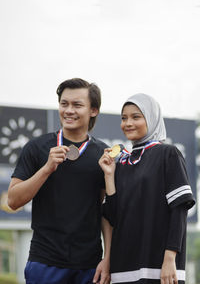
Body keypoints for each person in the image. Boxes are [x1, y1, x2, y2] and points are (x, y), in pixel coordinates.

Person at [8, 78, 111, 284]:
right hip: (45, 261)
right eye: (64, 104)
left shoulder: (102, 154)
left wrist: (108, 258)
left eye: (77, 105)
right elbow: (13, 200)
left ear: (93, 110)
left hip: (89, 265)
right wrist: (46, 169)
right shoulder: (36, 147)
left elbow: (105, 211)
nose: (69, 110)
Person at [99, 93, 195, 284]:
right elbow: (114, 217)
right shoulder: (122, 163)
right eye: (124, 118)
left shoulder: (168, 154)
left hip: (159, 269)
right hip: (123, 270)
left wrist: (170, 259)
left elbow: (179, 209)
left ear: (151, 119)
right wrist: (109, 175)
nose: (128, 123)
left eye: (136, 117)